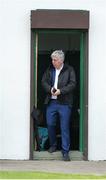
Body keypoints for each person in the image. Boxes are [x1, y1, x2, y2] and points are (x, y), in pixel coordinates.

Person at [42, 50, 76, 161]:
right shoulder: (50, 69)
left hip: (65, 103)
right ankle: (53, 145)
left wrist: (61, 91)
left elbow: (72, 84)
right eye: (52, 59)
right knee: (50, 124)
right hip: (52, 102)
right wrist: (50, 89)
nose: (53, 62)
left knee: (64, 127)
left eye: (55, 60)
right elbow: (44, 82)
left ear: (61, 60)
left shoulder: (69, 70)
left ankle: (65, 152)